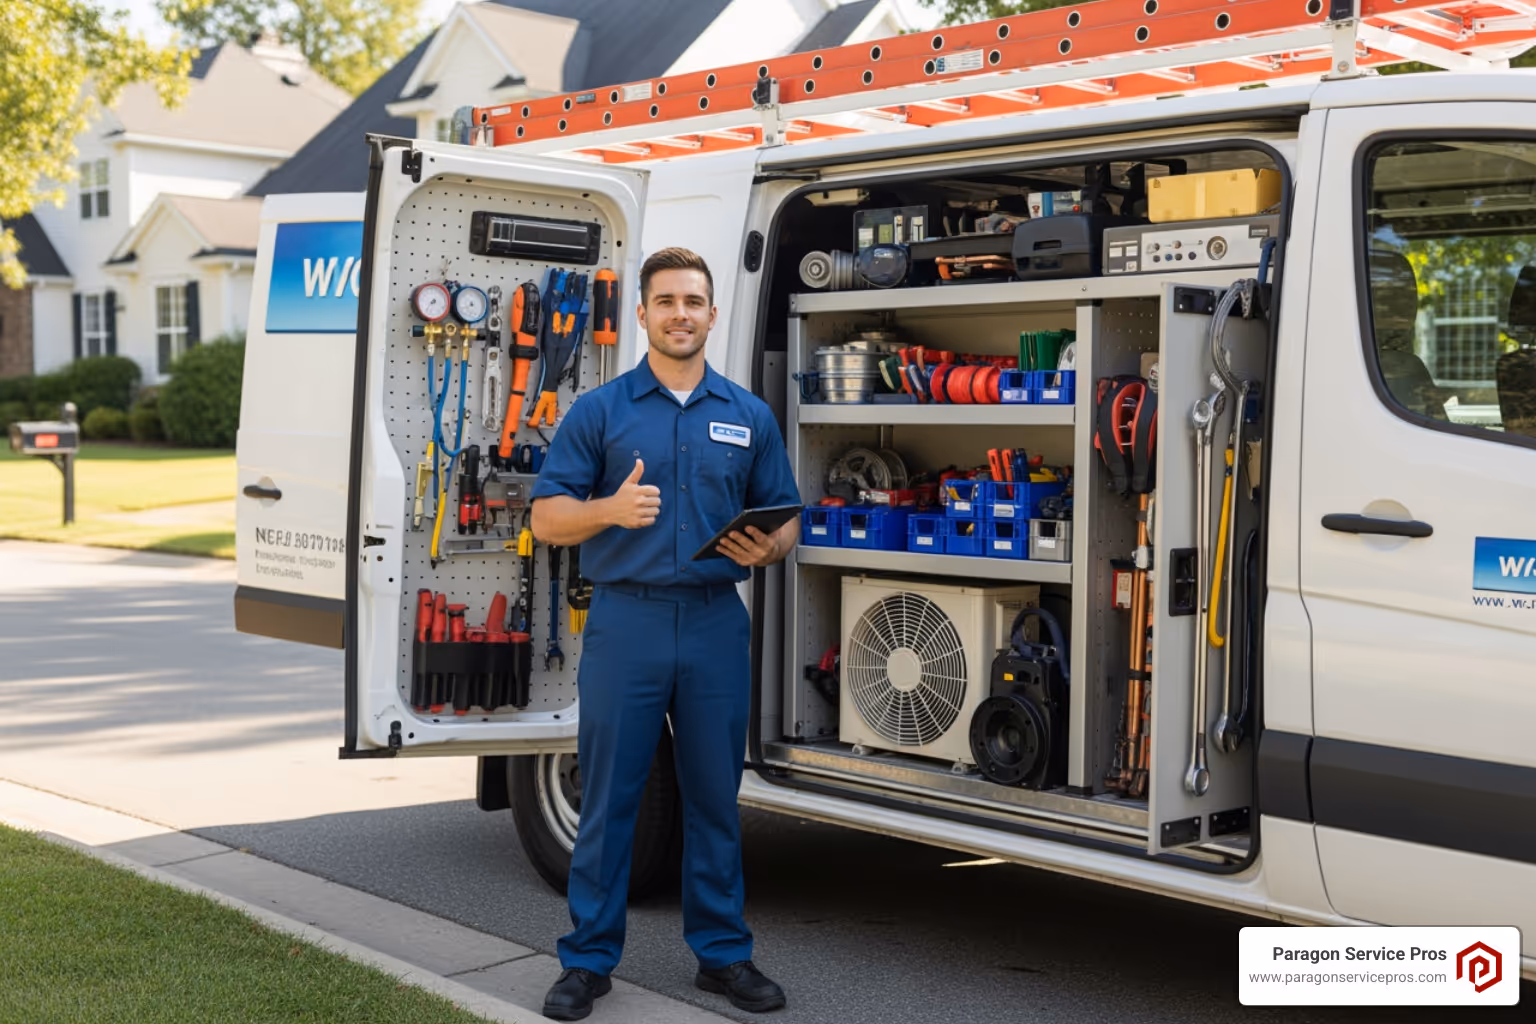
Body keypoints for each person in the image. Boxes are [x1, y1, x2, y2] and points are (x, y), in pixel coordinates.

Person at [529, 247, 800, 1021]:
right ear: (642, 314)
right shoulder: (601, 411)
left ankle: (722, 956)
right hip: (627, 620)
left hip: (715, 623)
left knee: (715, 795)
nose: (681, 313)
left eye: (694, 301)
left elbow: (783, 518)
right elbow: (547, 518)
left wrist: (768, 546)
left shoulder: (748, 415)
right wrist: (608, 511)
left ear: (713, 314)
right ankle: (586, 962)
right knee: (611, 795)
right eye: (667, 301)